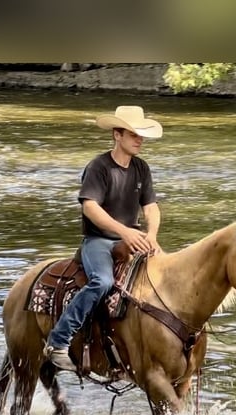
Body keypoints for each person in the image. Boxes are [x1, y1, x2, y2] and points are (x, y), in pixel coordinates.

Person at [45, 105, 164, 371]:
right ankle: (58, 340)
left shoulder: (141, 168)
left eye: (141, 134)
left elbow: (151, 207)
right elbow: (90, 207)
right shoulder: (98, 167)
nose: (139, 139)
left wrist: (152, 235)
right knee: (102, 282)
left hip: (133, 238)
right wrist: (125, 231)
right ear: (117, 134)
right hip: (98, 240)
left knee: (166, 278)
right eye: (133, 134)